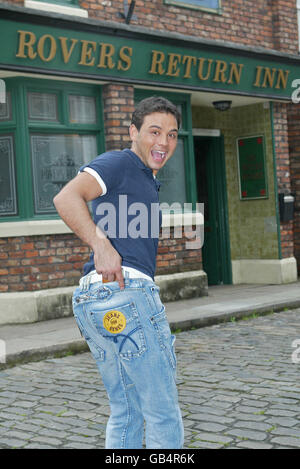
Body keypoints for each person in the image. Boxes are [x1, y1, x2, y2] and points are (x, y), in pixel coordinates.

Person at [53, 96, 184, 449]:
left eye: (172, 135)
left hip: (98, 301)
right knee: (162, 412)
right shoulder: (120, 162)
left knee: (127, 411)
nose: (163, 142)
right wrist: (101, 245)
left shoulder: (144, 179)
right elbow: (67, 198)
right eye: (154, 132)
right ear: (133, 132)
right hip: (127, 295)